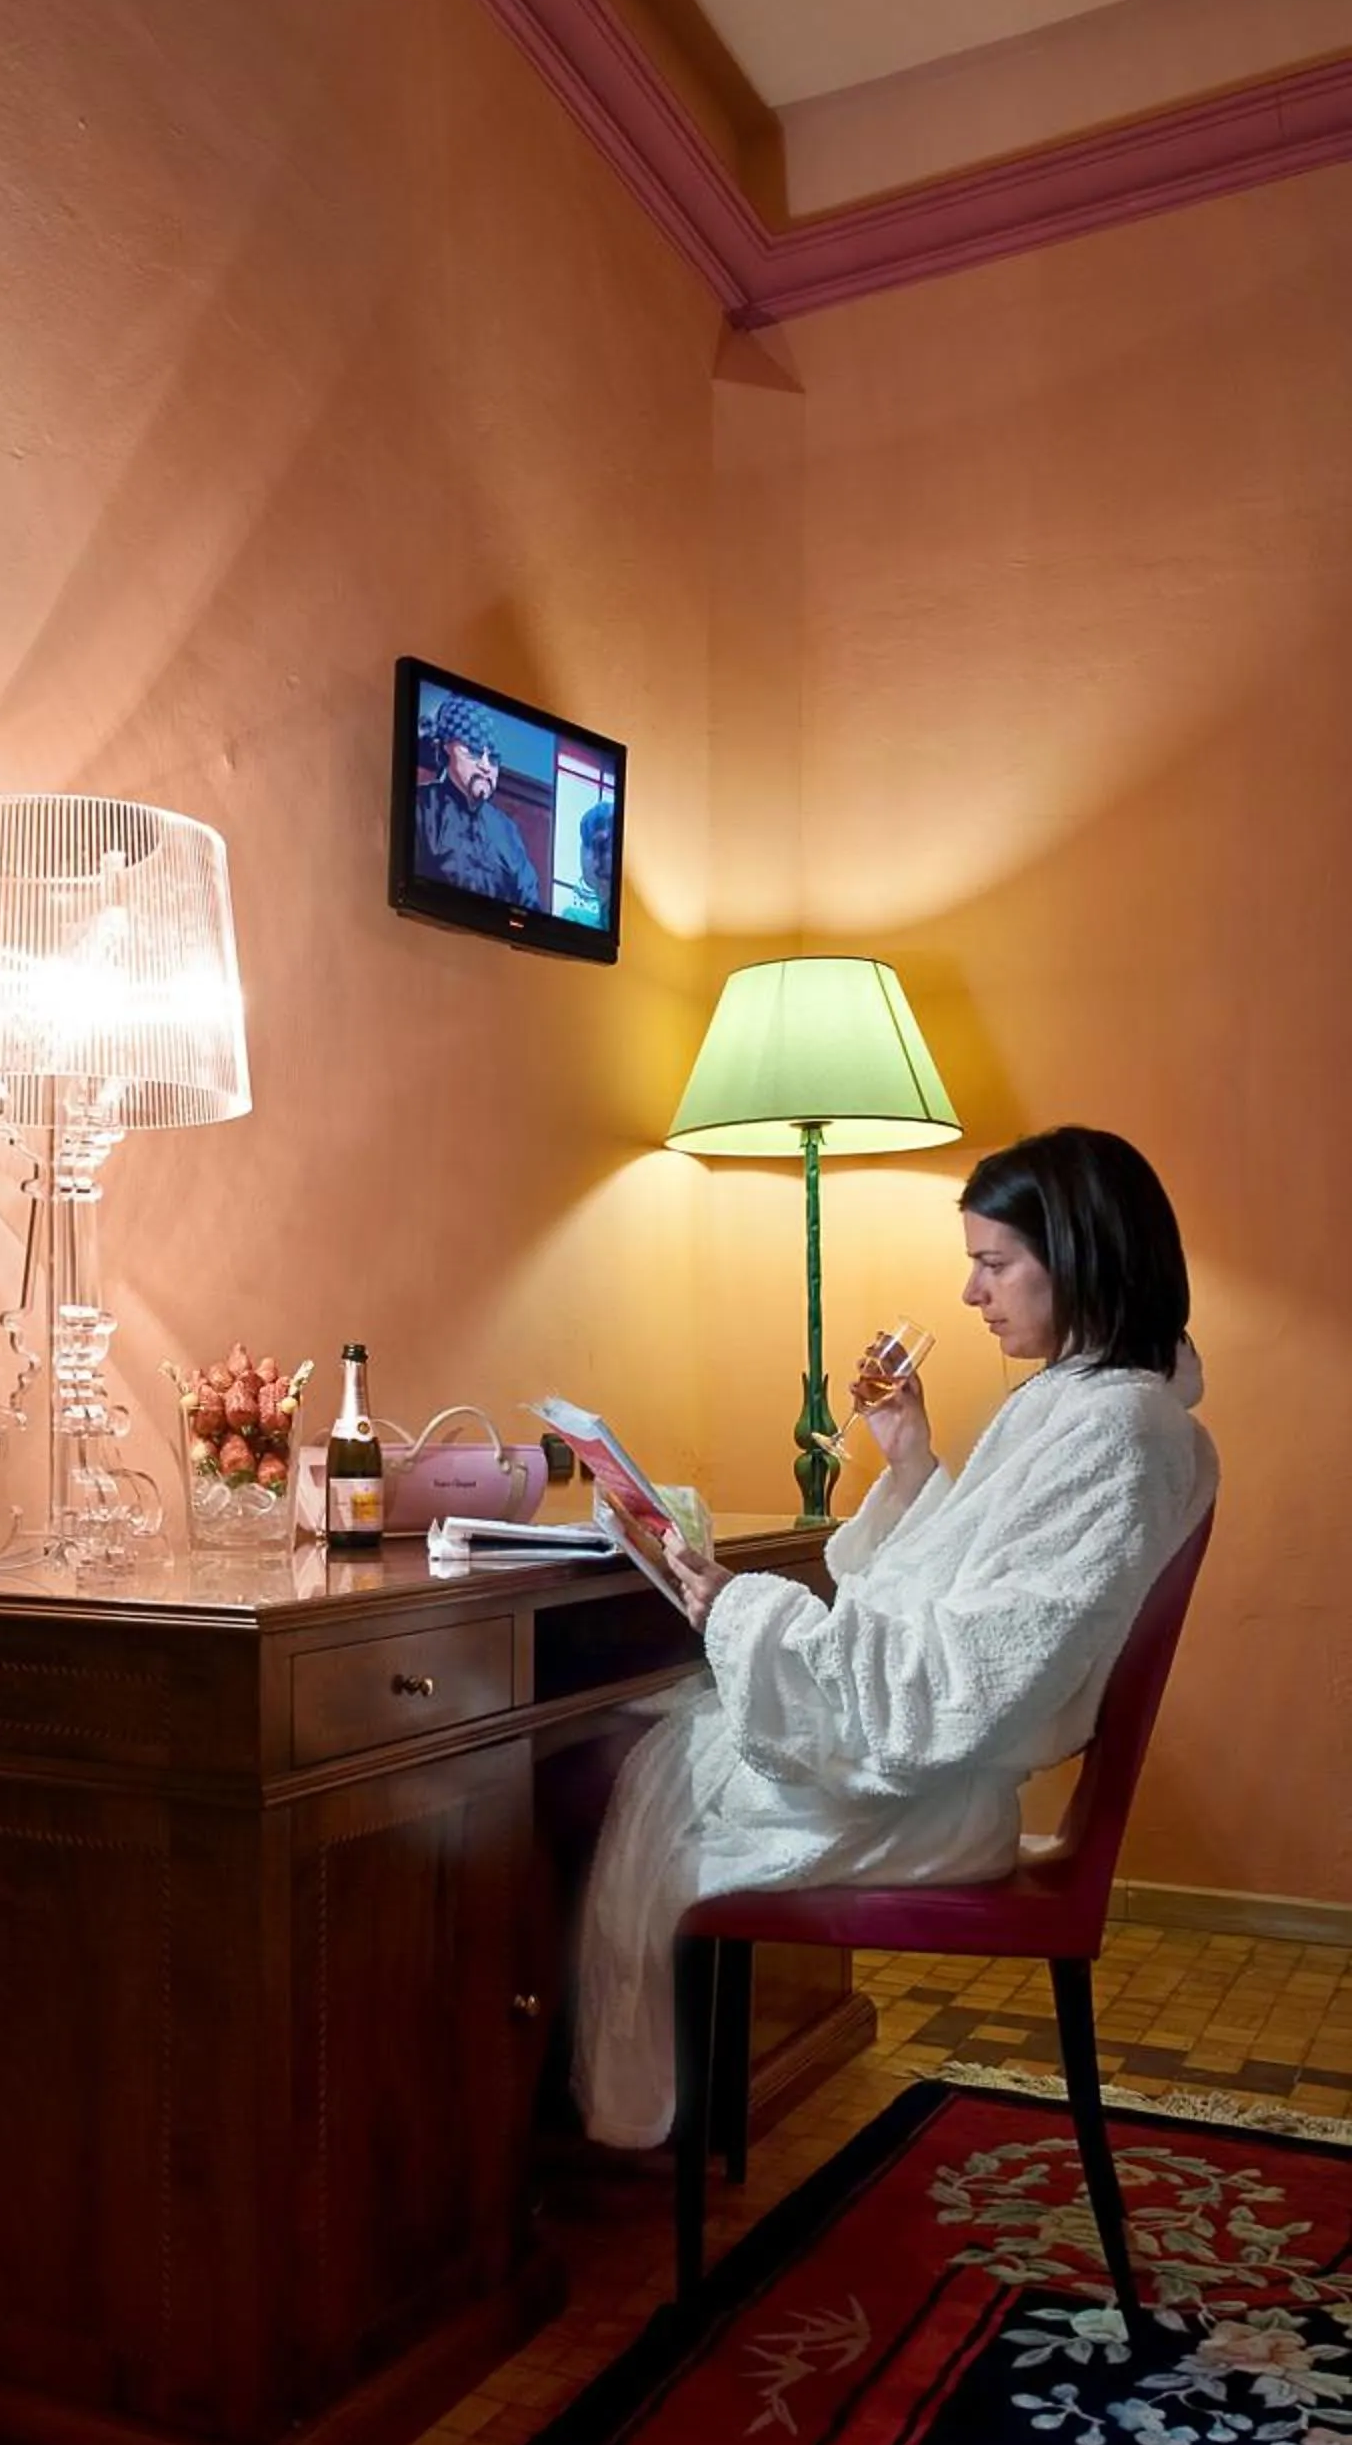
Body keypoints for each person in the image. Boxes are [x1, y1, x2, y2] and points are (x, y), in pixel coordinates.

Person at [573, 1127, 1218, 2151]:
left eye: (992, 1263)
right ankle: (635, 2120)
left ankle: (587, 2138)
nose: (970, 1294)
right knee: (640, 1738)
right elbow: (978, 1593)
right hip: (930, 1783)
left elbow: (968, 1680)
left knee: (599, 1765)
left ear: (1081, 1254)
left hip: (927, 1802)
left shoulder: (1119, 1432)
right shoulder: (1073, 1402)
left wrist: (741, 1611)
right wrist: (910, 1459)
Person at [413, 697, 544, 911]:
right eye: (473, 752)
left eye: (492, 758)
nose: (485, 767)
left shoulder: (507, 831)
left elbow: (530, 907)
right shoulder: (421, 807)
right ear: (445, 749)